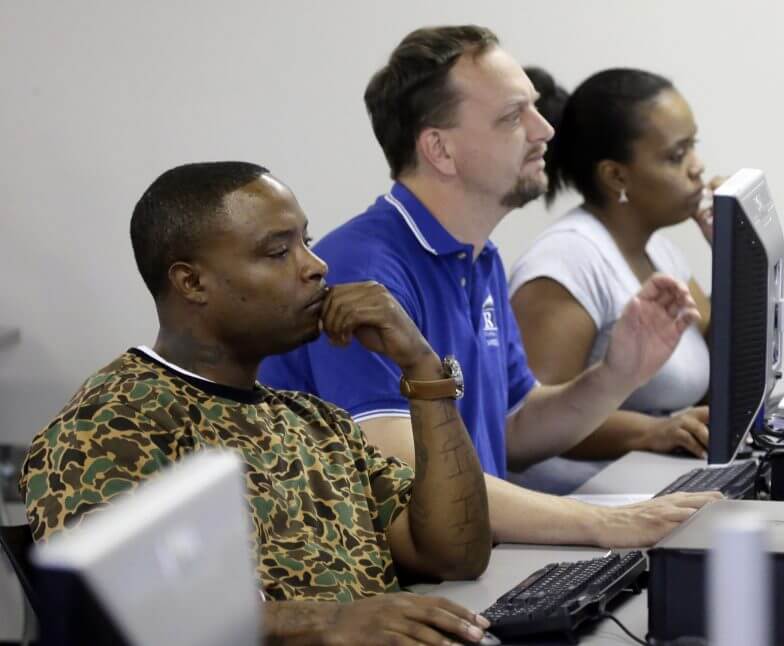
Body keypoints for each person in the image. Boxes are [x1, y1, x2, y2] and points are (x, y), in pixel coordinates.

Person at [259, 25, 722, 545]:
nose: (544, 128)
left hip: (473, 562)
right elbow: (407, 476)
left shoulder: (479, 258)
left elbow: (514, 428)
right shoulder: (363, 271)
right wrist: (607, 522)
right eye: (512, 117)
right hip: (402, 594)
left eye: (534, 108)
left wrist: (619, 374)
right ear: (440, 149)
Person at [21, 162, 496, 645]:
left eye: (305, 242)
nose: (315, 265)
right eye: (278, 251)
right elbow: (117, 610)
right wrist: (328, 621)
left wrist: (422, 367)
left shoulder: (316, 422)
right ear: (192, 283)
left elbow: (454, 553)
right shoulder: (110, 424)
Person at [506, 67, 726, 491]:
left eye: (692, 146)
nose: (697, 168)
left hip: (650, 491)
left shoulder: (658, 251)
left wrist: (735, 252)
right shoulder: (568, 261)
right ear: (616, 176)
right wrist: (649, 431)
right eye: (676, 155)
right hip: (574, 512)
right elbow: (526, 422)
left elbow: (725, 369)